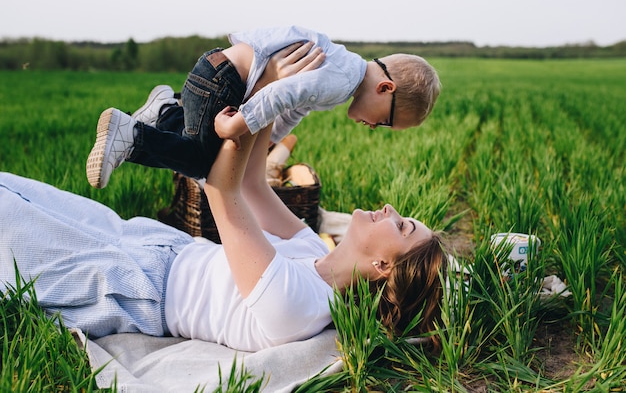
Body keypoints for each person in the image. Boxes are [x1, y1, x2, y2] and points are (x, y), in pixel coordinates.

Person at [0, 124, 447, 352]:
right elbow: (254, 185)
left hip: (132, 287)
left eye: (403, 225)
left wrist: (241, 127)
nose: (391, 210)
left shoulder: (300, 307)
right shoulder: (313, 250)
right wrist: (276, 102)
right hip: (152, 245)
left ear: (384, 267)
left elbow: (222, 188)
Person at [86, 25, 441, 188]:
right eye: (383, 122)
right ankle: (131, 137)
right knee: (203, 161)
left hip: (214, 72)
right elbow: (278, 96)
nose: (373, 127)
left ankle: (165, 111)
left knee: (200, 144)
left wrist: (271, 141)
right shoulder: (340, 82)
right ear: (385, 88)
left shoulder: (343, 67)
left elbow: (294, 108)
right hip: (223, 82)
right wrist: (238, 124)